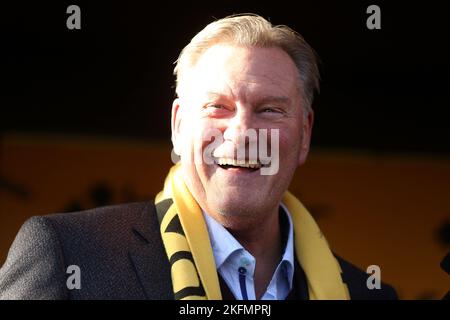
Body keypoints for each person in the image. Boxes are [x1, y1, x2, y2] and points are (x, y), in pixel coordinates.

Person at [0, 14, 397, 300]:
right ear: (178, 125)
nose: (242, 133)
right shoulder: (71, 256)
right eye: (217, 107)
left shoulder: (368, 294)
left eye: (270, 110)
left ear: (305, 134)